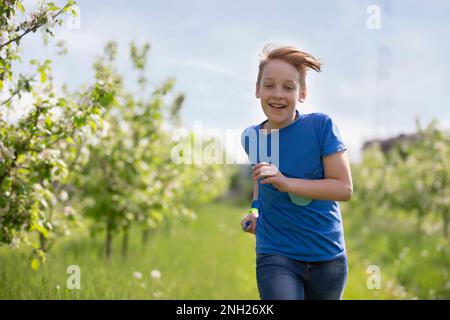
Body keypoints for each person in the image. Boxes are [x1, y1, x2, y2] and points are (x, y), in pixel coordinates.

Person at [240, 44, 353, 300]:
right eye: (269, 85)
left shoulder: (321, 127)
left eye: (288, 87)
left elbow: (343, 188)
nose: (277, 94)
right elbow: (260, 179)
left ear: (302, 93)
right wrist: (255, 210)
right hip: (275, 251)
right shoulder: (252, 137)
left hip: (327, 256)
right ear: (257, 90)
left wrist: (287, 183)